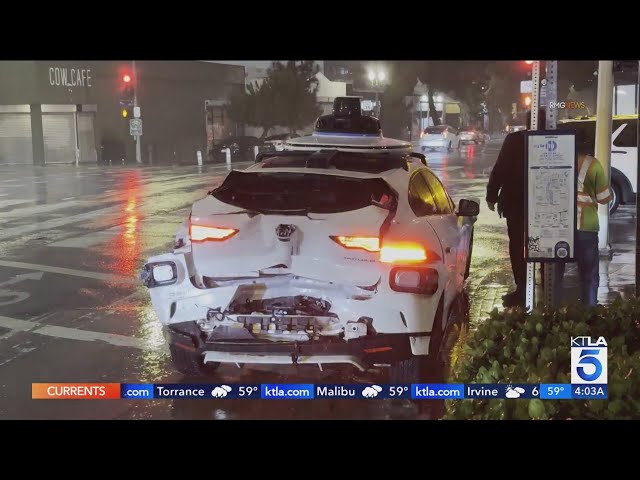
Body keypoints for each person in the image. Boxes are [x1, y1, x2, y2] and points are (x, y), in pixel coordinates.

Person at [486, 109, 546, 307]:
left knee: (518, 244)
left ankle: (522, 288)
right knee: (542, 243)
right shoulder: (550, 140)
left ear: (528, 122)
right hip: (542, 204)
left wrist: (492, 195)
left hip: (515, 203)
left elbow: (500, 167)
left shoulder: (514, 140)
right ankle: (544, 284)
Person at [556, 130, 611, 306]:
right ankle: (589, 313)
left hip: (560, 227)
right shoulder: (593, 165)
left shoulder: (558, 160)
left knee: (555, 275)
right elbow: (604, 198)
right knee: (589, 275)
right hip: (586, 228)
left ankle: (554, 314)